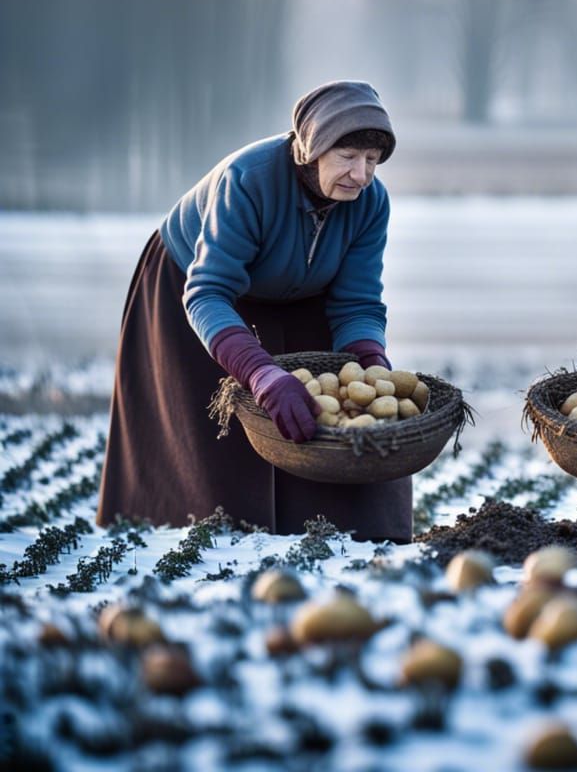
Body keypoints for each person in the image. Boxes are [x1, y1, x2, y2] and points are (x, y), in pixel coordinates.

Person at [96, 81, 411, 541]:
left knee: (322, 412)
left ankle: (342, 531)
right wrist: (261, 374)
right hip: (199, 285)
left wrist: (368, 364)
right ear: (313, 149)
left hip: (303, 287)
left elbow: (357, 301)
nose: (361, 175)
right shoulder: (249, 180)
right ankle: (214, 539)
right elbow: (207, 293)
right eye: (347, 157)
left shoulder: (370, 203)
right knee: (223, 436)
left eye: (372, 161)